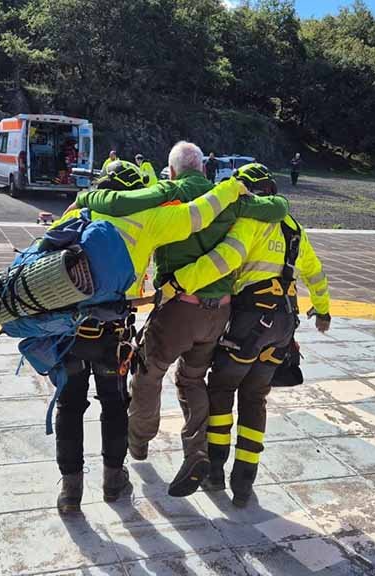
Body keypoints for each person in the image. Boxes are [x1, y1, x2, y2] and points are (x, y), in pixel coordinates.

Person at [73, 143, 288, 498]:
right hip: (219, 311)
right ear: (203, 168)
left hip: (177, 308)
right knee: (192, 379)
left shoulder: (168, 193)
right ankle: (197, 451)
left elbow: (119, 203)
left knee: (149, 372)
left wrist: (85, 197)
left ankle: (139, 441)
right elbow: (278, 207)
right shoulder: (227, 198)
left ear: (172, 171)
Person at [52, 159, 251, 513]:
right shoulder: (148, 219)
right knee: (116, 403)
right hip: (113, 333)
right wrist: (231, 188)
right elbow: (197, 216)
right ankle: (114, 480)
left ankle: (72, 490)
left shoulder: (78, 211)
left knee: (73, 403)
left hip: (69, 331)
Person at [158, 163, 331, 505]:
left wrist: (178, 283)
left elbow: (223, 260)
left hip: (250, 322)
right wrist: (323, 310)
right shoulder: (293, 228)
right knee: (255, 398)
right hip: (283, 324)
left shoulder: (250, 222)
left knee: (222, 389)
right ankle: (244, 484)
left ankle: (215, 472)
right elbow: (315, 272)